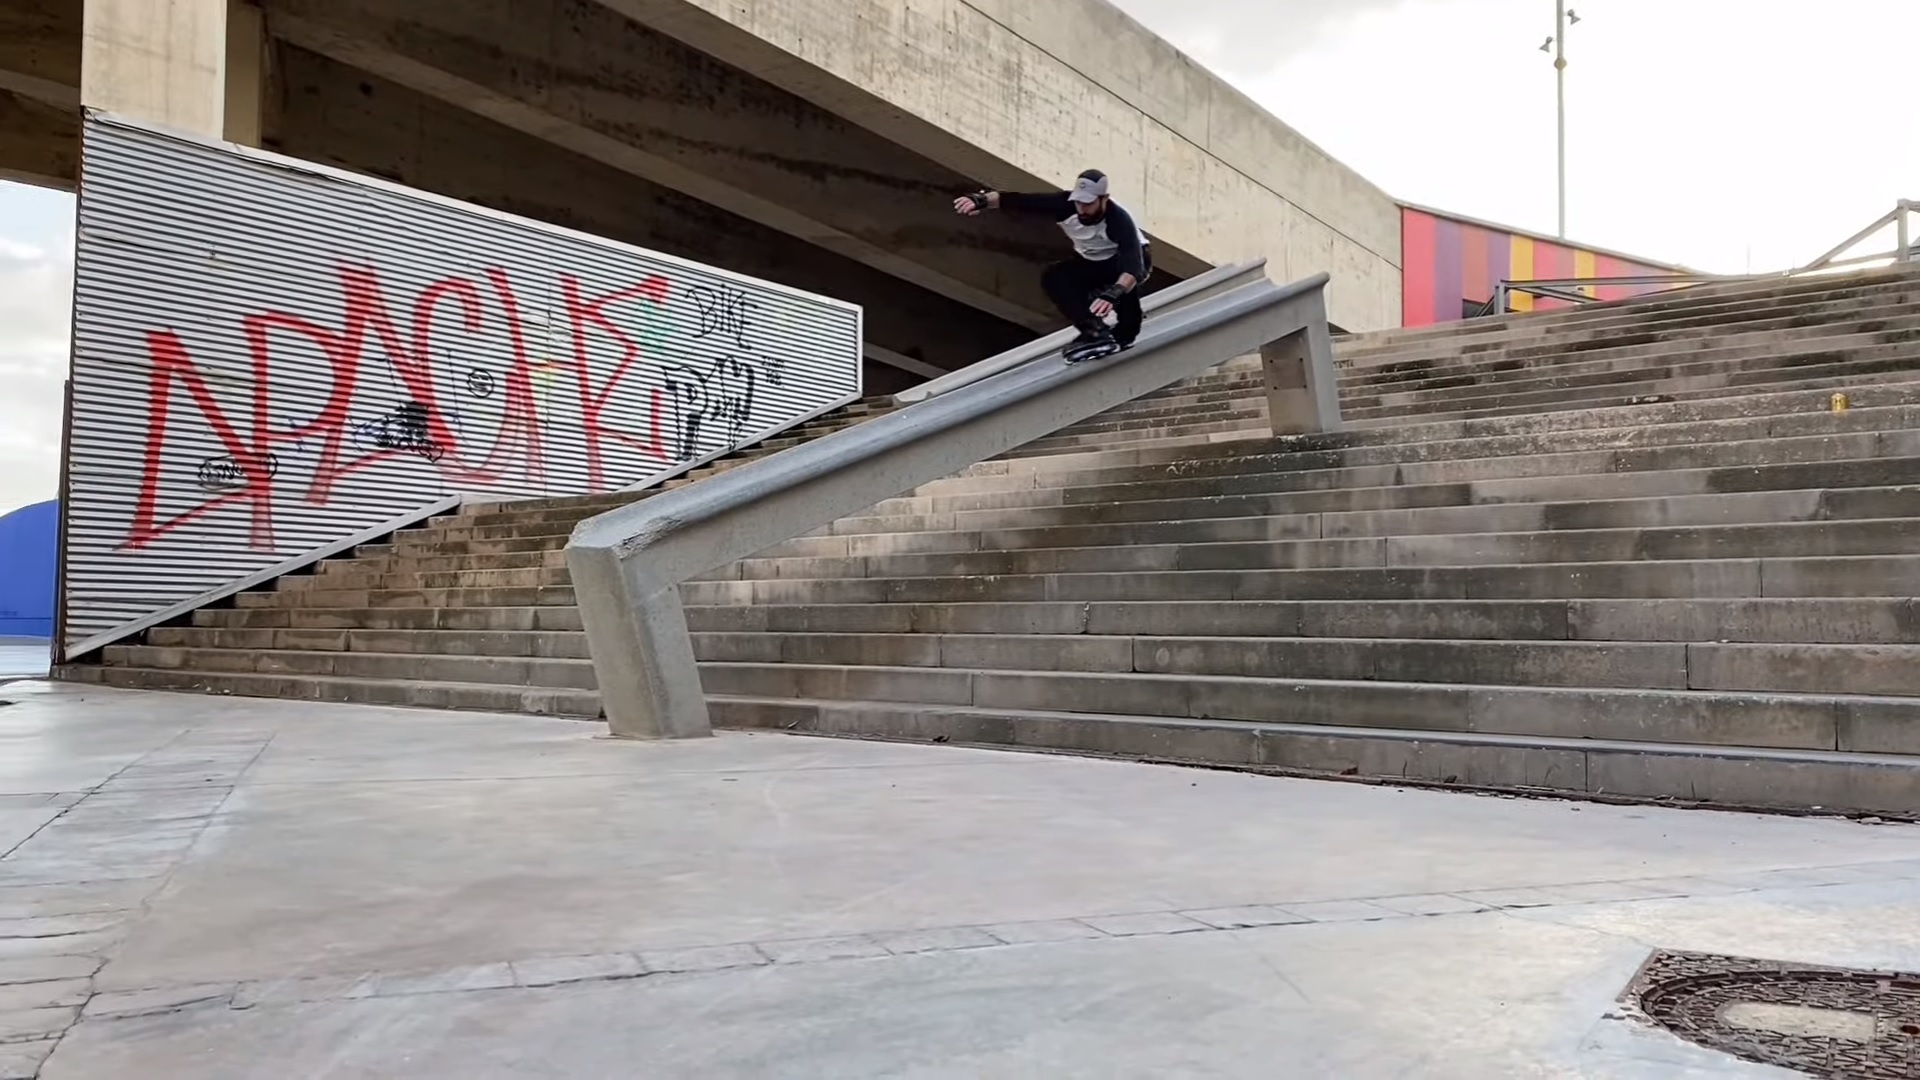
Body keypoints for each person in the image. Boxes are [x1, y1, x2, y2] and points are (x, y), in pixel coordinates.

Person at [953, 169, 1153, 357]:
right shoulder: (1063, 204)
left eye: (1089, 204)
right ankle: (1095, 332)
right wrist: (979, 200)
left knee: (1121, 299)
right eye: (1079, 203)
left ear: (1103, 200)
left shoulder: (1118, 220)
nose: (1082, 209)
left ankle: (1128, 323)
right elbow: (1017, 200)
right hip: (1092, 261)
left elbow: (1133, 269)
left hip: (1132, 261)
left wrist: (1114, 293)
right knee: (1056, 278)